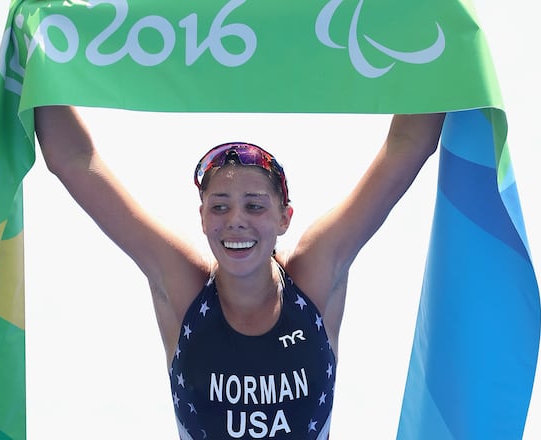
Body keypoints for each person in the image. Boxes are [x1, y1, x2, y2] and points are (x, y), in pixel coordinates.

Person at [34, 106, 445, 439]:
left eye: (254, 206)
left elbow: (406, 148)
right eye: (219, 206)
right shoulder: (184, 289)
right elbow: (74, 161)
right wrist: (36, 54)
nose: (235, 221)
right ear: (202, 217)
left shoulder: (314, 278)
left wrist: (440, 43)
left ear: (284, 218)